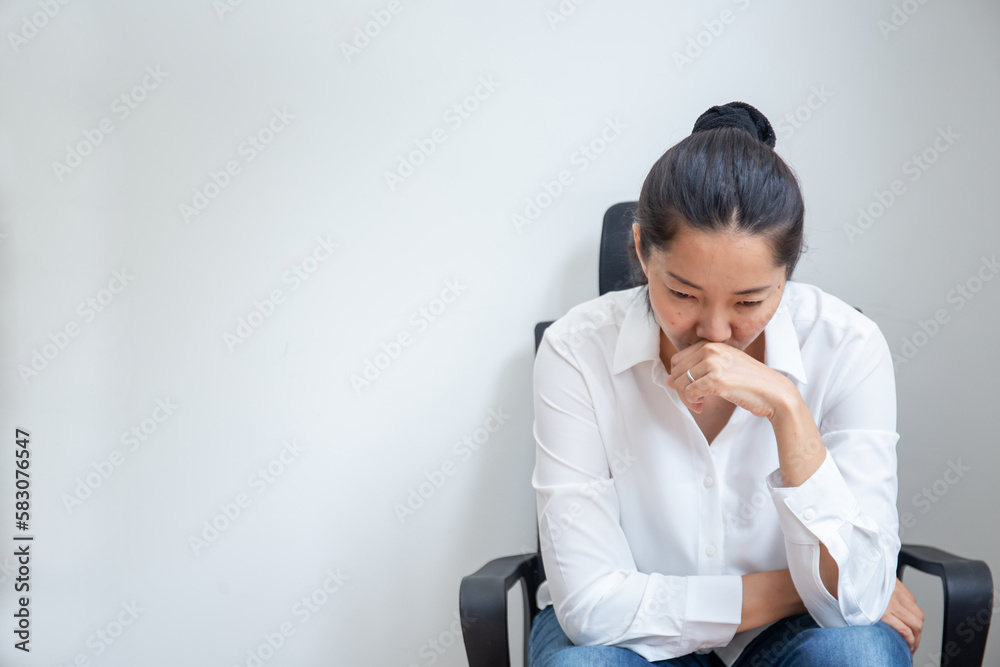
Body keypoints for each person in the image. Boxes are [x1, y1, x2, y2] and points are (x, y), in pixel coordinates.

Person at [527, 101, 924, 666]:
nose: (714, 331)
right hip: (630, 641)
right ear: (641, 250)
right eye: (682, 294)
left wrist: (788, 408)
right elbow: (592, 608)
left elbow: (854, 604)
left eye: (749, 302)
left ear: (787, 273)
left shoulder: (847, 346)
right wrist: (802, 587)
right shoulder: (576, 349)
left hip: (788, 637)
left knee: (859, 654)